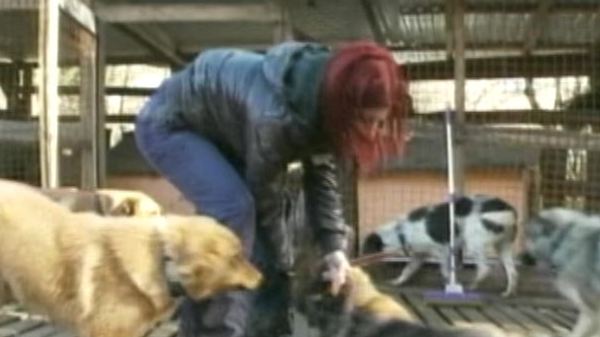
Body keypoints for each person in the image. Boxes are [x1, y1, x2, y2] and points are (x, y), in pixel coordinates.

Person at [134, 40, 411, 337]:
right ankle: (214, 331)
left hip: (227, 137)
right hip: (170, 126)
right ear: (344, 105)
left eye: (379, 123)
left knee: (253, 242)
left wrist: (334, 248)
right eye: (365, 120)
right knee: (236, 213)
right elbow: (263, 200)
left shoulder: (325, 104)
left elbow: (322, 176)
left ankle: (222, 325)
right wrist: (279, 268)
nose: (371, 132)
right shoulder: (276, 117)